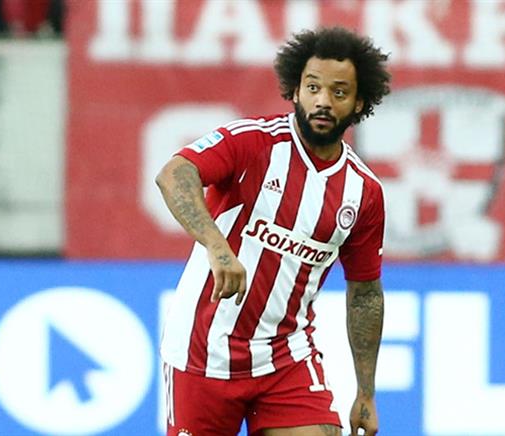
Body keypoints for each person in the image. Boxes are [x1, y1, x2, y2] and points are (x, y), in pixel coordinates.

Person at [156, 26, 391, 436]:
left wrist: (366, 392)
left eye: (338, 92)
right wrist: (217, 247)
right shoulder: (253, 143)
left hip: (286, 358)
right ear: (295, 91)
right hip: (203, 353)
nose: (323, 100)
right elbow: (174, 174)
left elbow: (365, 293)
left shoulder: (363, 192)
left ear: (359, 103)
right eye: (313, 87)